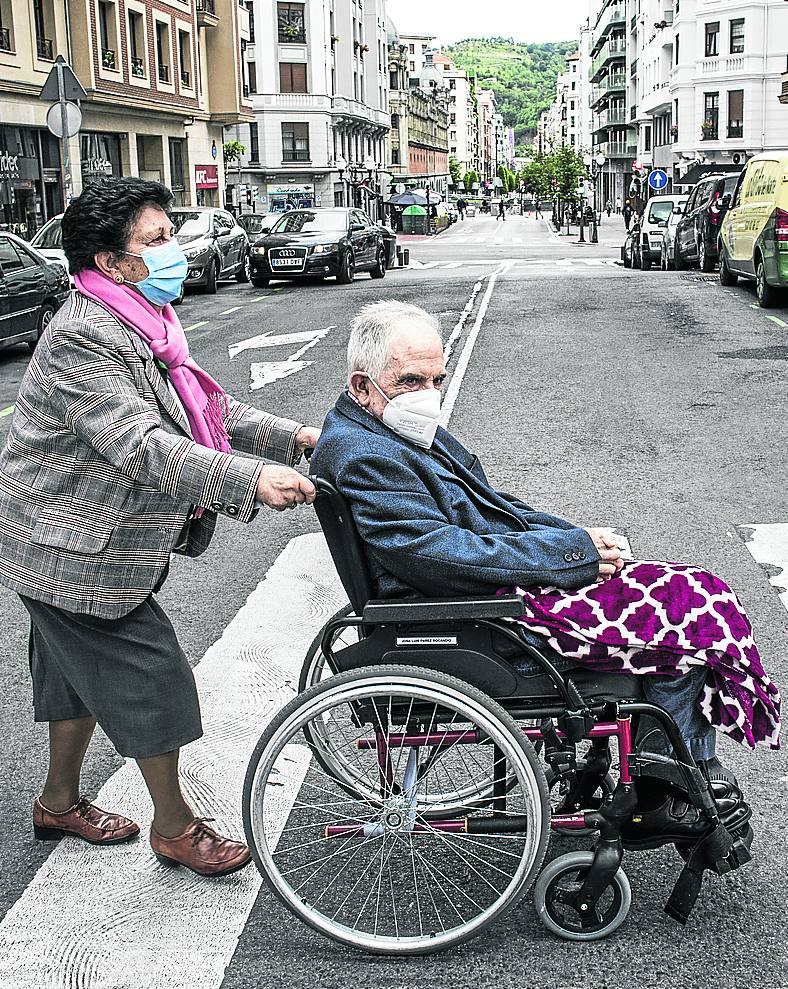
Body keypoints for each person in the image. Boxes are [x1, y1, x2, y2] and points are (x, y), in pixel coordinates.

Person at [311, 301, 781, 838]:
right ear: (363, 385)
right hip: (475, 611)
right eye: (412, 380)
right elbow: (435, 554)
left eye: (437, 378)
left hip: (491, 586)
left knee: (693, 593)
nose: (429, 394)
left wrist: (573, 539)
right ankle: (671, 786)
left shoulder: (393, 428)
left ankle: (673, 771)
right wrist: (566, 556)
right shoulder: (365, 454)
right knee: (695, 610)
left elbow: (494, 506)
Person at [0, 177, 319, 877]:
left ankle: (57, 802)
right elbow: (142, 442)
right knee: (155, 674)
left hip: (59, 535)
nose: (175, 250)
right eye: (158, 239)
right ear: (113, 263)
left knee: (72, 672)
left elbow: (210, 408)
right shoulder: (87, 336)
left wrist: (295, 437)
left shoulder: (146, 320)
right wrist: (248, 479)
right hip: (65, 543)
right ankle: (175, 826)